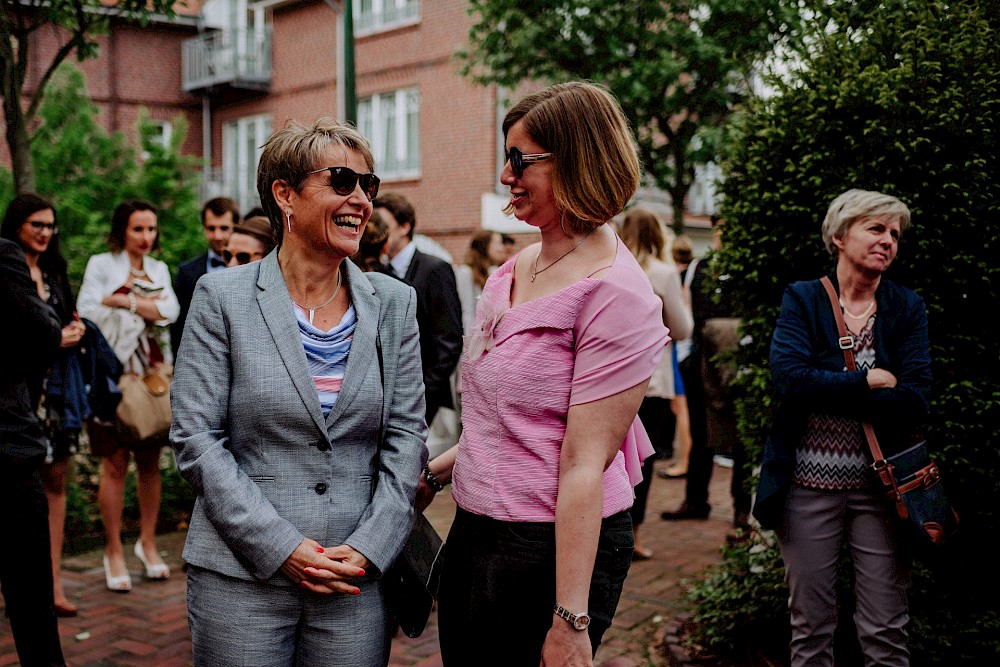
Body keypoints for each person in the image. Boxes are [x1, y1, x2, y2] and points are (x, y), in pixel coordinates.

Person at [422, 81, 669, 666]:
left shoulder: (617, 294)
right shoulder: (515, 268)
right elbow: (504, 421)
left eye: (519, 161)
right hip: (475, 528)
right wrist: (432, 477)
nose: (506, 176)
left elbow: (584, 462)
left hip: (550, 549)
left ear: (577, 163)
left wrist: (570, 619)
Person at [169, 117, 427, 667]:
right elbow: (196, 438)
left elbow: (407, 437)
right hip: (240, 576)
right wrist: (281, 548)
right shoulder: (221, 297)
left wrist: (370, 547)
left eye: (368, 186)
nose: (361, 200)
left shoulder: (394, 303)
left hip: (353, 579)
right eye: (341, 181)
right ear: (283, 195)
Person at [753, 189, 929, 666]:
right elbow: (790, 381)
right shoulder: (804, 299)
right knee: (810, 628)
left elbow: (915, 397)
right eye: (876, 229)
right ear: (838, 235)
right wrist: (868, 380)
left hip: (883, 491)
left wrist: (828, 386)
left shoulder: (905, 307)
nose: (888, 240)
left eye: (894, 233)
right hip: (806, 489)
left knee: (887, 631)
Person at [77, 199, 180, 592]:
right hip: (112, 379)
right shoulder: (101, 265)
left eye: (152, 229)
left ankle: (149, 544)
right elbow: (88, 313)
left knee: (151, 462)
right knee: (115, 465)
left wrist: (125, 300)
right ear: (123, 230)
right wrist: (144, 306)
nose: (146, 237)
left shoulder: (159, 269)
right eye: (139, 229)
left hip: (152, 379)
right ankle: (113, 550)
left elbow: (169, 310)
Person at [1, 194, 88, 616]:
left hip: (55, 395)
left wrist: (70, 333)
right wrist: (52, 337)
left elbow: (68, 319)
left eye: (50, 225)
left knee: (53, 486)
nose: (44, 232)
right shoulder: (5, 267)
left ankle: (50, 582)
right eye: (36, 223)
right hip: (17, 397)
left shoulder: (55, 272)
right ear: (17, 224)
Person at [1, 233, 67, 666]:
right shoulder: (3, 255)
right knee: (30, 605)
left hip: (9, 450)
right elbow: (45, 331)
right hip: (6, 451)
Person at [660, 214, 750, 531]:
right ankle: (696, 500)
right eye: (720, 227)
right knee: (700, 435)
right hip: (701, 363)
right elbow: (689, 314)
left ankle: (742, 509)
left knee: (740, 438)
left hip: (737, 364)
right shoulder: (700, 268)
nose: (722, 234)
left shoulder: (748, 268)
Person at [620, 208, 693, 560]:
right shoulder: (662, 274)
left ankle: (606, 531)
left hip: (608, 380)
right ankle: (631, 535)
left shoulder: (611, 268)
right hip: (650, 382)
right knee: (642, 463)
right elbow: (681, 329)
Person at [374, 191, 462, 424]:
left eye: (383, 224)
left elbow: (449, 341)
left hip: (425, 400)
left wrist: (424, 393)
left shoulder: (435, 269)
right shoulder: (377, 273)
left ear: (404, 227)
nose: (376, 230)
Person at [171, 197, 239, 357]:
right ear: (203, 228)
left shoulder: (253, 264)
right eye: (211, 228)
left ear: (237, 226)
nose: (217, 235)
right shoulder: (187, 272)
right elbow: (179, 326)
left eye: (224, 228)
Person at [659, 234, 696, 479]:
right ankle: (682, 459)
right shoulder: (684, 273)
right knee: (679, 408)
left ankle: (684, 461)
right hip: (680, 349)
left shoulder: (673, 275)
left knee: (681, 407)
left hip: (679, 350)